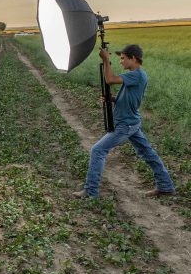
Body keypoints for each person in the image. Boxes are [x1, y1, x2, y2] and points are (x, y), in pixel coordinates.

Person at [73, 44, 175, 199]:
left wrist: (106, 60)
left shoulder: (137, 74)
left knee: (97, 150)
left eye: (123, 58)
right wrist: (112, 99)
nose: (121, 62)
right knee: (148, 153)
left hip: (126, 124)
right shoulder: (137, 75)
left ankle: (91, 191)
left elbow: (109, 79)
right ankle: (166, 186)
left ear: (133, 58)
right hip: (132, 122)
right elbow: (130, 99)